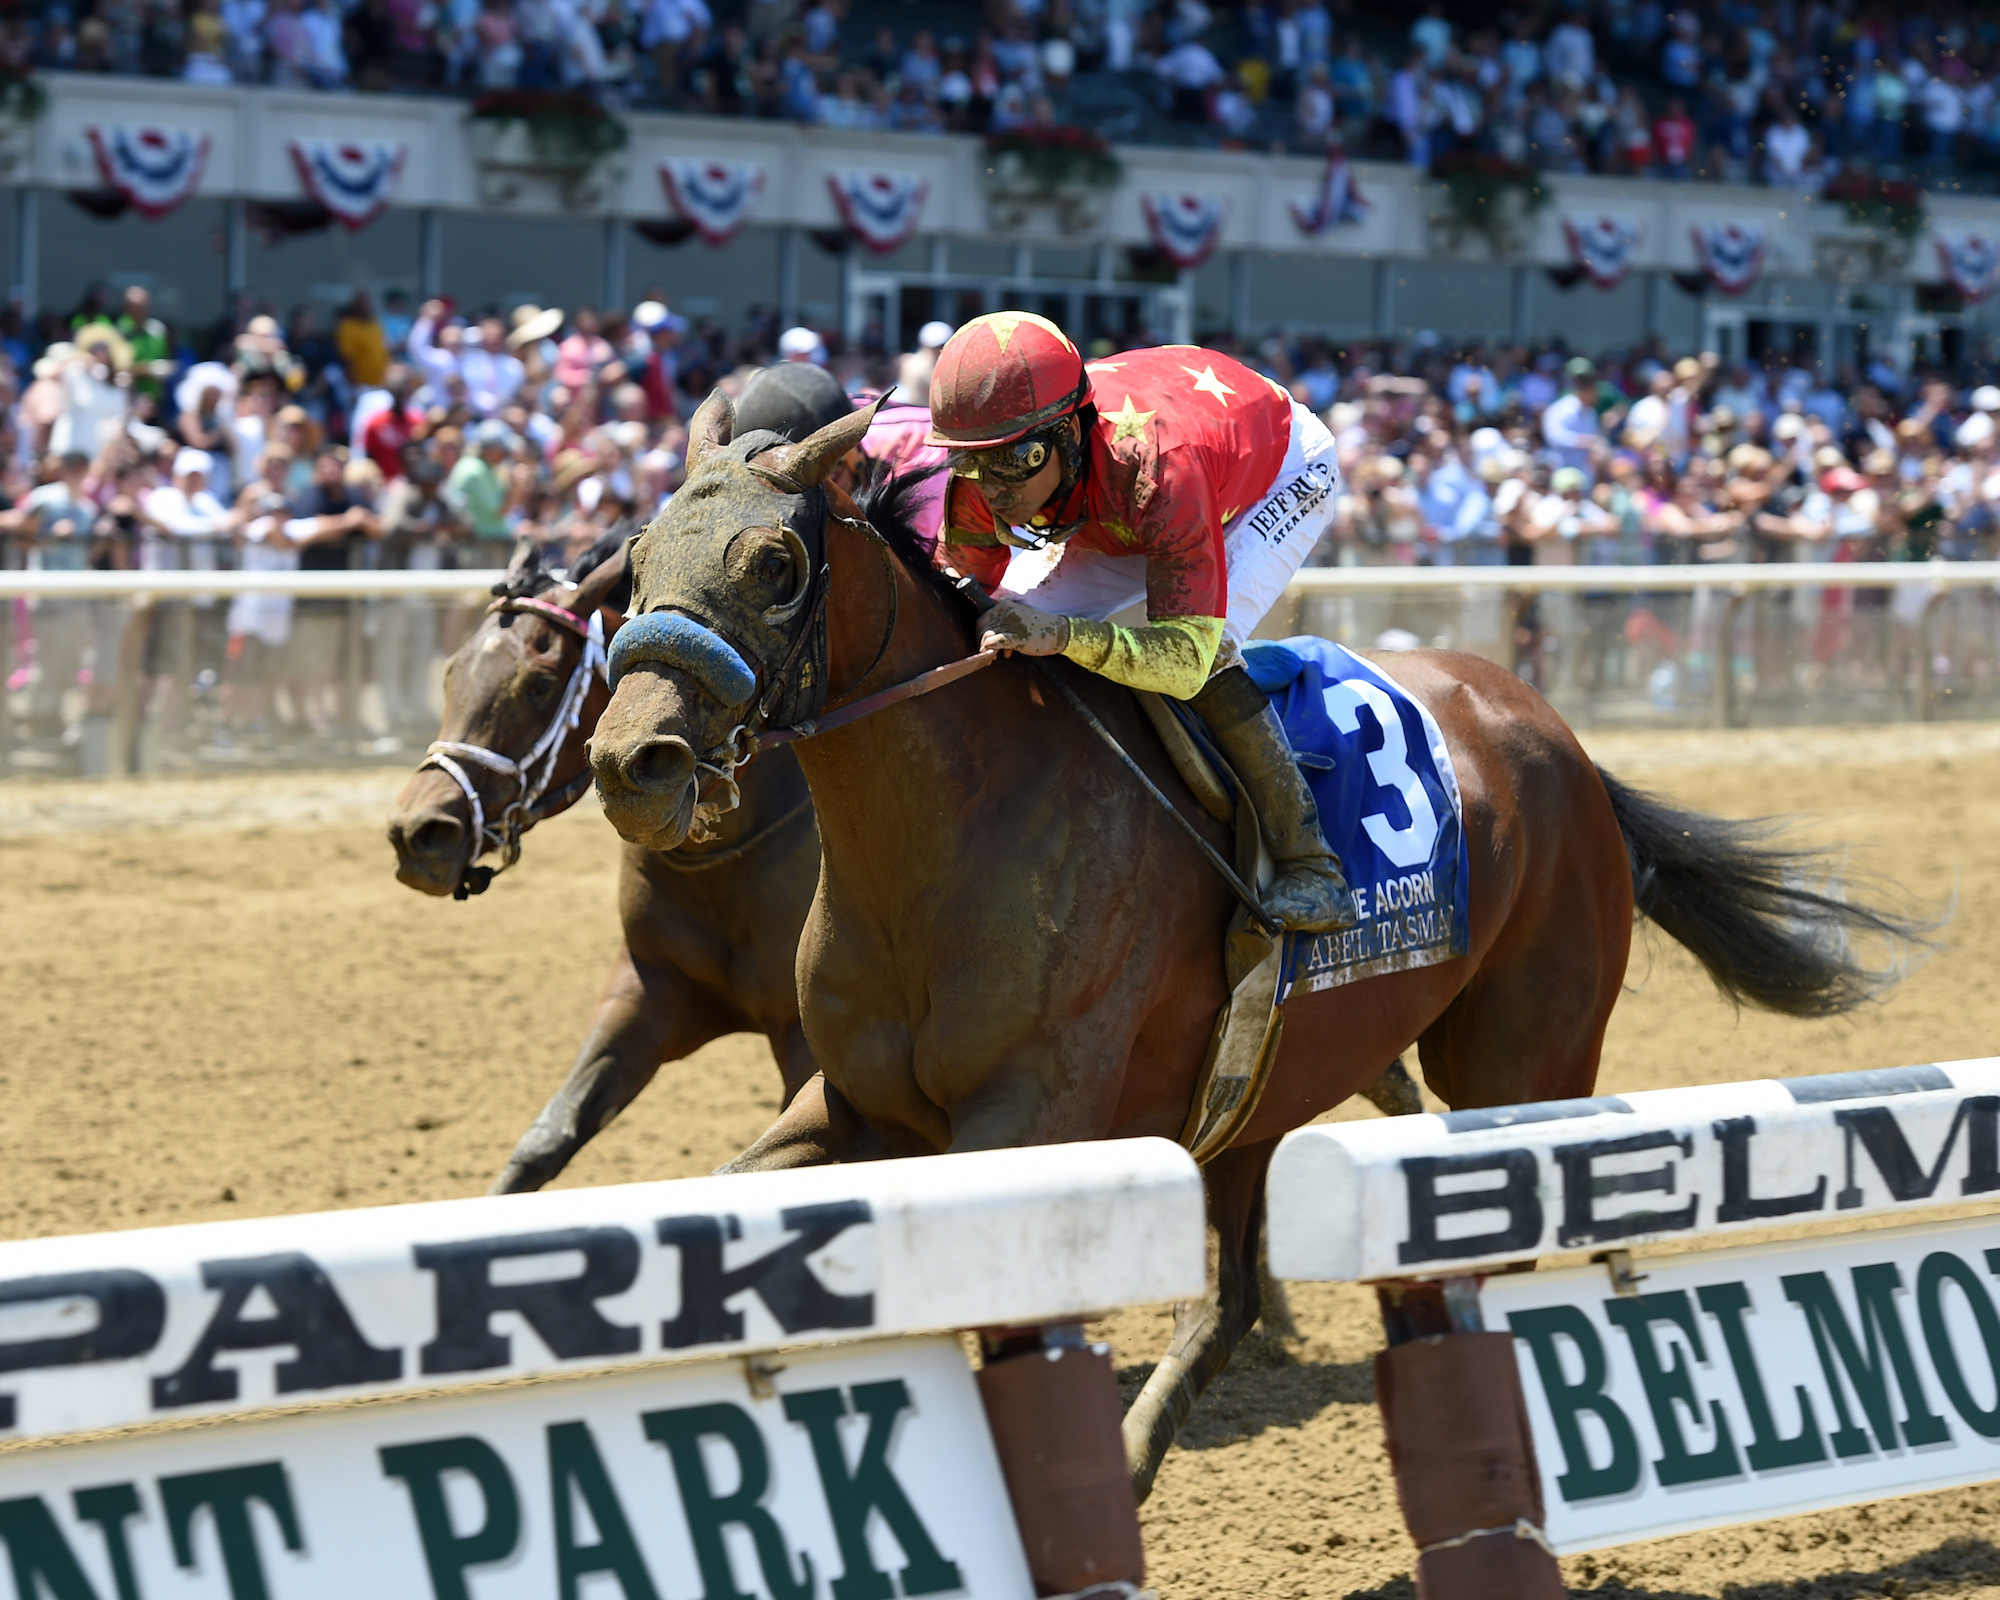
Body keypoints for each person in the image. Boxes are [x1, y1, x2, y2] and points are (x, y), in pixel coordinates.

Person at [927, 310, 1358, 933]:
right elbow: (952, 597)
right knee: (998, 629)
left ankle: (1312, 866)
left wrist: (1066, 636)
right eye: (974, 463)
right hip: (1134, 484)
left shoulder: (1160, 469)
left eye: (1018, 459)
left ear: (1069, 434)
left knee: (1206, 659)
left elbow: (1182, 658)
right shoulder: (994, 458)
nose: (993, 488)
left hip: (1276, 470)